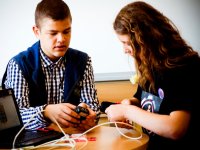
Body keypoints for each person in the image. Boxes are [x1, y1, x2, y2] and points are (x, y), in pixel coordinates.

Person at [105, 1, 200, 150]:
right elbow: (141, 99)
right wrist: (128, 103)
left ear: (145, 39)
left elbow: (175, 128)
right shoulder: (149, 65)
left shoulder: (184, 66)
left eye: (127, 43)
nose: (125, 50)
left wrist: (127, 111)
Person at [1, 0, 100, 131]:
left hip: (72, 139)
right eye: (53, 33)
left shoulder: (83, 61)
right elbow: (14, 118)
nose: (61, 39)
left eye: (66, 31)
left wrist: (88, 114)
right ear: (37, 32)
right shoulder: (19, 64)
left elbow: (94, 108)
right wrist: (45, 112)